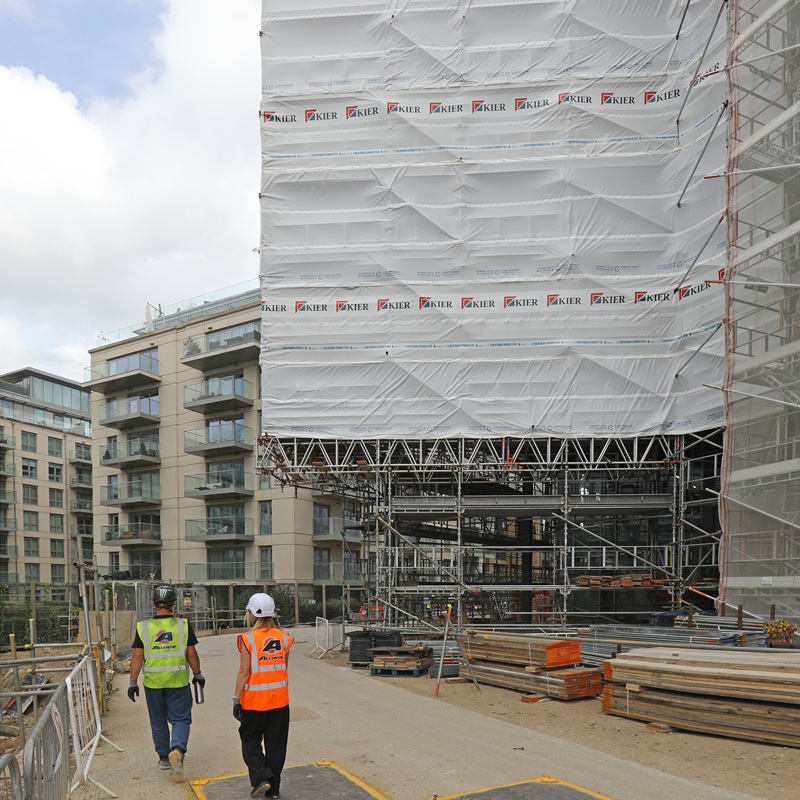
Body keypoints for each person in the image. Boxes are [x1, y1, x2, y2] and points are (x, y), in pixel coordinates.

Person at [127, 585, 205, 783]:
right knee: (180, 719)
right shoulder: (183, 625)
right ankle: (177, 749)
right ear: (172, 605)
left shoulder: (143, 627)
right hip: (178, 682)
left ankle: (163, 757)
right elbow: (191, 654)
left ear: (154, 604)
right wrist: (197, 674)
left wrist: (133, 682)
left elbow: (137, 656)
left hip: (153, 684)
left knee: (158, 721)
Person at [233, 593, 293, 799]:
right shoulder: (284, 638)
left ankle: (262, 777)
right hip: (279, 700)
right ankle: (273, 790)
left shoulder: (248, 639)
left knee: (250, 740)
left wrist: (236, 699)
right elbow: (283, 667)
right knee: (276, 745)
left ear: (251, 613)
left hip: (254, 702)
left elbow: (244, 671)